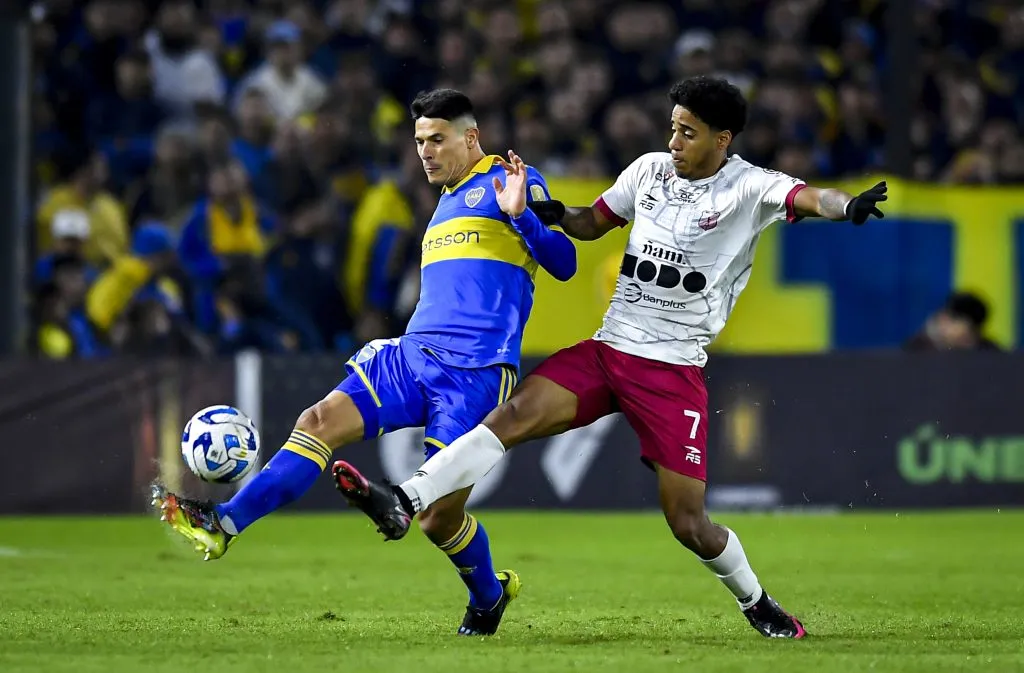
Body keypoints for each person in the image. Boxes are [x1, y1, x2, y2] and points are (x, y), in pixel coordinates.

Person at [331, 76, 889, 640]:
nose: (674, 141)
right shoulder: (648, 171)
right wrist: (540, 210)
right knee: (510, 417)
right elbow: (591, 223)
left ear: (723, 139)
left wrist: (850, 206)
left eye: (688, 133)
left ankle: (757, 603)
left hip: (671, 370)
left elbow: (810, 198)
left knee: (689, 523)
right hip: (609, 349)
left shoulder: (749, 188)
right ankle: (402, 499)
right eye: (672, 127)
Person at [151, 88, 577, 636]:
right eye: (419, 140)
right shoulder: (443, 203)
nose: (425, 151)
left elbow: (564, 264)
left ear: (471, 137)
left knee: (437, 518)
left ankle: (489, 596)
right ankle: (223, 522)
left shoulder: (512, 180)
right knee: (317, 422)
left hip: (474, 373)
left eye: (437, 139)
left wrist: (524, 217)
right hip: (411, 354)